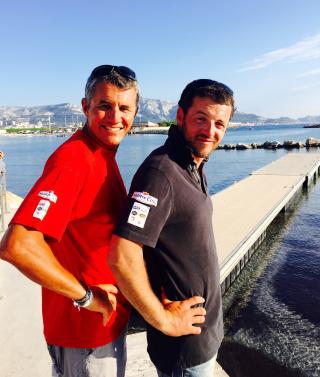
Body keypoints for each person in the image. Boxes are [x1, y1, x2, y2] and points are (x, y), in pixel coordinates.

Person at [0, 65, 139, 377]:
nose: (115, 117)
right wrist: (87, 297)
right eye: (104, 106)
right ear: (85, 107)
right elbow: (17, 245)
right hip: (84, 335)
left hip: (99, 331)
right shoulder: (75, 161)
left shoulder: (101, 154)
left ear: (135, 112)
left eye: (124, 107)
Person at [109, 79, 235, 376]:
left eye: (220, 124)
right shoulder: (161, 173)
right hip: (183, 349)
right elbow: (122, 255)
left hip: (202, 339)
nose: (211, 131)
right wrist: (163, 320)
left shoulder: (193, 164)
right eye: (201, 119)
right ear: (180, 117)